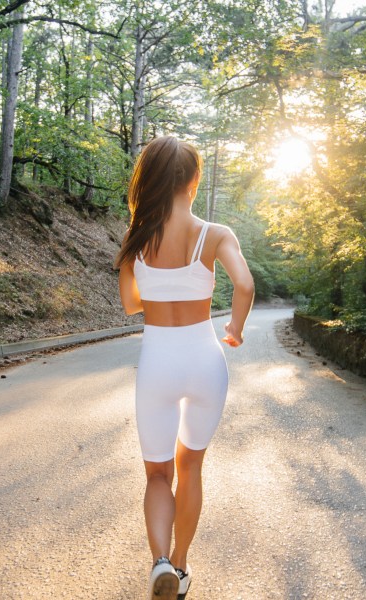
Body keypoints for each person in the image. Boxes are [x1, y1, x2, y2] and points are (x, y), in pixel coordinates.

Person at [116, 135, 255, 600]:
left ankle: (158, 562)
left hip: (158, 360)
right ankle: (181, 564)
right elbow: (245, 283)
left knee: (158, 474)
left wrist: (152, 276)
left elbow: (131, 306)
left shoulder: (137, 240)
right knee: (190, 465)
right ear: (194, 181)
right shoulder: (214, 234)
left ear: (150, 181)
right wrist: (234, 327)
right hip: (204, 359)